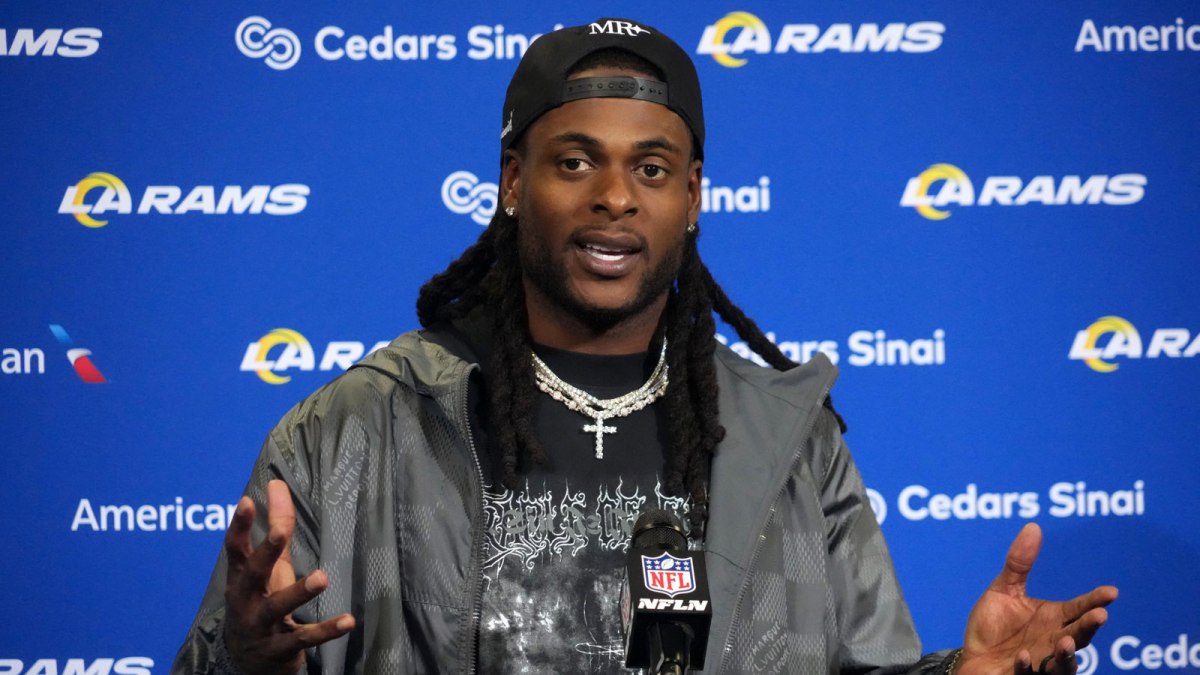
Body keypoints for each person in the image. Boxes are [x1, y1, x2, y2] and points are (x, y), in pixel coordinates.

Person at [173, 18, 1116, 675]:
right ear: (511, 181)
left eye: (652, 168)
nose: (615, 196)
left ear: (694, 196)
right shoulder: (356, 430)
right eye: (574, 160)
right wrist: (245, 661)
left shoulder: (791, 444)